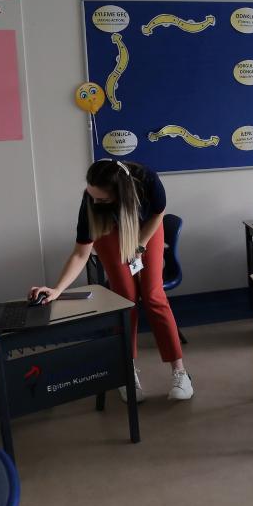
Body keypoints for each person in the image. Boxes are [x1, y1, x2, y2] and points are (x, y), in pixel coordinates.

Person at [30, 159, 192, 402]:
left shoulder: (147, 179)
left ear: (120, 193)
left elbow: (158, 212)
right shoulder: (92, 202)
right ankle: (126, 371)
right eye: (91, 195)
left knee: (153, 295)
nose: (94, 201)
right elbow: (80, 254)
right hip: (109, 229)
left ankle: (180, 372)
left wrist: (140, 245)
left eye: (102, 198)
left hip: (146, 225)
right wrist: (57, 289)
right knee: (125, 299)